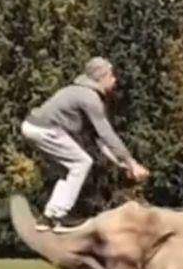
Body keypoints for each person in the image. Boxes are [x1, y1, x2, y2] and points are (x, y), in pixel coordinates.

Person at [21, 57, 149, 230]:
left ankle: (48, 218)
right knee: (82, 162)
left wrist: (124, 165)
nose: (114, 79)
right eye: (111, 75)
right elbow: (107, 135)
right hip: (45, 129)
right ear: (101, 77)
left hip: (32, 126)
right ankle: (58, 215)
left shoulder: (78, 92)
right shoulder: (89, 98)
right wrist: (132, 163)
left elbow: (99, 141)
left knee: (70, 169)